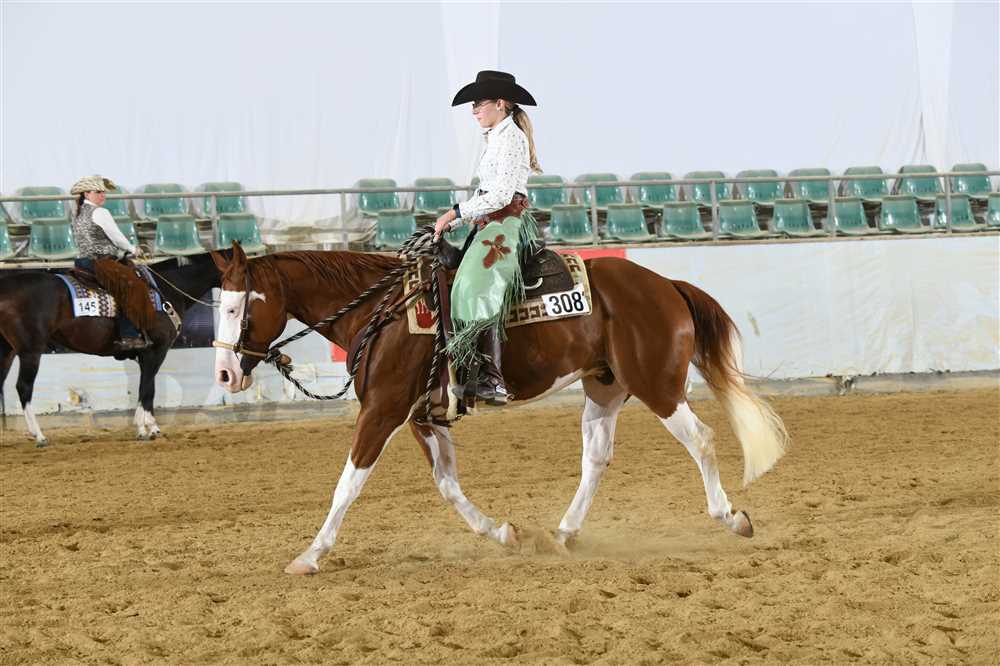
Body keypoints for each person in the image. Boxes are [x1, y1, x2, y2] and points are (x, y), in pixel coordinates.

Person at [433, 71, 542, 405]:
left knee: (477, 285)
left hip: (506, 221)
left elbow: (501, 195)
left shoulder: (510, 138)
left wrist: (454, 212)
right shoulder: (496, 137)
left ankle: (493, 379)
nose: (474, 110)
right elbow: (487, 194)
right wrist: (459, 219)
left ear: (500, 103)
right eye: (473, 105)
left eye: (479, 103)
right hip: (490, 222)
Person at [70, 175, 154, 352]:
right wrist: (133, 249)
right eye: (98, 192)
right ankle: (129, 335)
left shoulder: (78, 212)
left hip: (82, 262)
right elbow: (117, 237)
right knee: (133, 286)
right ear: (86, 193)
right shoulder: (100, 212)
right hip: (101, 262)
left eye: (104, 192)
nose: (103, 195)